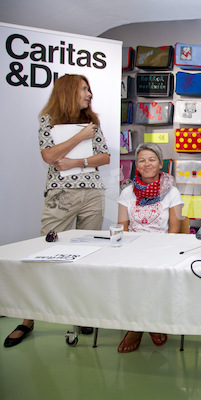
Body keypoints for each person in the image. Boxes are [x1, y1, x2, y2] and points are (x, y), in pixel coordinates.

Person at [4, 74, 110, 348]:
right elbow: (49, 156)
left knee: (88, 256)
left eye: (89, 89)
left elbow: (105, 156)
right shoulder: (48, 120)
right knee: (44, 254)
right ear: (69, 91)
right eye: (84, 89)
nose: (89, 94)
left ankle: (83, 313)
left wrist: (76, 160)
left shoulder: (92, 123)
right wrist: (79, 136)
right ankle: (28, 319)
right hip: (60, 195)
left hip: (92, 194)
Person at [116, 143, 183, 353]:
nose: (147, 164)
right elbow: (122, 227)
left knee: (152, 275)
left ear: (160, 164)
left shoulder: (172, 192)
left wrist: (160, 253)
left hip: (162, 248)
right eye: (142, 160)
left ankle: (140, 325)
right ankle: (145, 323)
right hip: (132, 249)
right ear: (136, 165)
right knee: (130, 275)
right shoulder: (127, 192)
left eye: (152, 159)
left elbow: (175, 229)